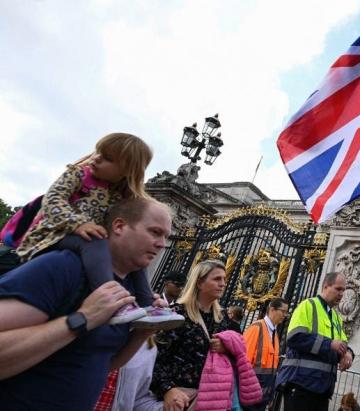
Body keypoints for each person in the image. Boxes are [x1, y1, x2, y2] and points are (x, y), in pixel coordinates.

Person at [0, 197, 173, 410]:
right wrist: (84, 318)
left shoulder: (132, 290)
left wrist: (143, 332)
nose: (162, 244)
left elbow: (103, 362)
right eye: (155, 232)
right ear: (119, 226)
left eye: (166, 236)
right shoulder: (62, 266)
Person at [7, 133, 181, 328]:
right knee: (96, 241)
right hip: (53, 234)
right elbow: (52, 200)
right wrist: (78, 223)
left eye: (107, 158)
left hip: (86, 237)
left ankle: (147, 304)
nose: (96, 157)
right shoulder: (78, 173)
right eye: (98, 152)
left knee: (136, 254)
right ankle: (112, 300)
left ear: (126, 170)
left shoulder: (120, 195)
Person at [150, 259, 230, 411]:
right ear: (199, 283)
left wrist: (226, 348)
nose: (223, 284)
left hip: (209, 398)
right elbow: (155, 356)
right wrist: (166, 389)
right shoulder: (177, 314)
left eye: (224, 279)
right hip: (177, 398)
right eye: (217, 279)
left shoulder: (222, 318)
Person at [276, 272, 354, 411]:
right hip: (301, 385)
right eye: (338, 289)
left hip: (323, 389)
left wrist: (347, 353)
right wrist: (328, 344)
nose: (341, 294)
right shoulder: (308, 305)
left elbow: (343, 343)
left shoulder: (335, 316)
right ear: (325, 286)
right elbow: (294, 337)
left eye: (343, 290)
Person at [243, 297, 289, 411]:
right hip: (250, 393)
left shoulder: (274, 333)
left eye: (286, 312)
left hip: (263, 395)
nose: (285, 315)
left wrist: (270, 394)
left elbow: (272, 366)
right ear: (272, 310)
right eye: (283, 311)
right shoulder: (256, 328)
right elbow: (244, 360)